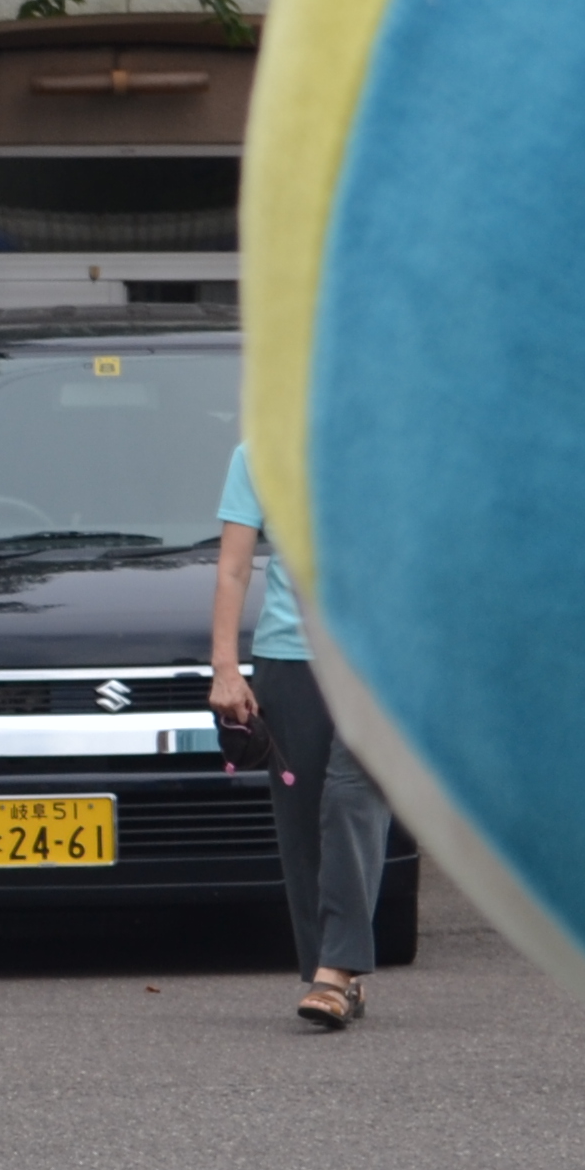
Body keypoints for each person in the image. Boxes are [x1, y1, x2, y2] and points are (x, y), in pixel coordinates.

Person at [211, 441, 391, 1029]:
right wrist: (225, 668)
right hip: (288, 660)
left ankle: (334, 972)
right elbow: (235, 566)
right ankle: (332, 974)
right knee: (303, 821)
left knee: (348, 797)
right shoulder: (260, 452)